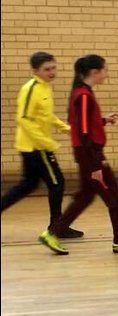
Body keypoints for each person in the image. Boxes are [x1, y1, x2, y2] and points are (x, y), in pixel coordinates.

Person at [38, 54, 118, 255]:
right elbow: (85, 132)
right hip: (92, 155)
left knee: (85, 197)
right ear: (94, 72)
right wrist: (96, 166)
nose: (106, 74)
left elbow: (83, 124)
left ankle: (53, 232)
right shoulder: (84, 96)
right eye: (105, 70)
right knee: (114, 198)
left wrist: (103, 120)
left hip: (85, 153)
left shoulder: (80, 93)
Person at [1, 52, 81, 238]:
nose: (52, 72)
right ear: (35, 71)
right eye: (47, 69)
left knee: (28, 185)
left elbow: (46, 116)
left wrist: (66, 129)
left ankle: (57, 225)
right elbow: (24, 119)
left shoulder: (45, 88)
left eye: (53, 68)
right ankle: (57, 227)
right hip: (35, 147)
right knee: (57, 183)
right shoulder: (31, 88)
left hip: (36, 146)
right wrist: (46, 143)